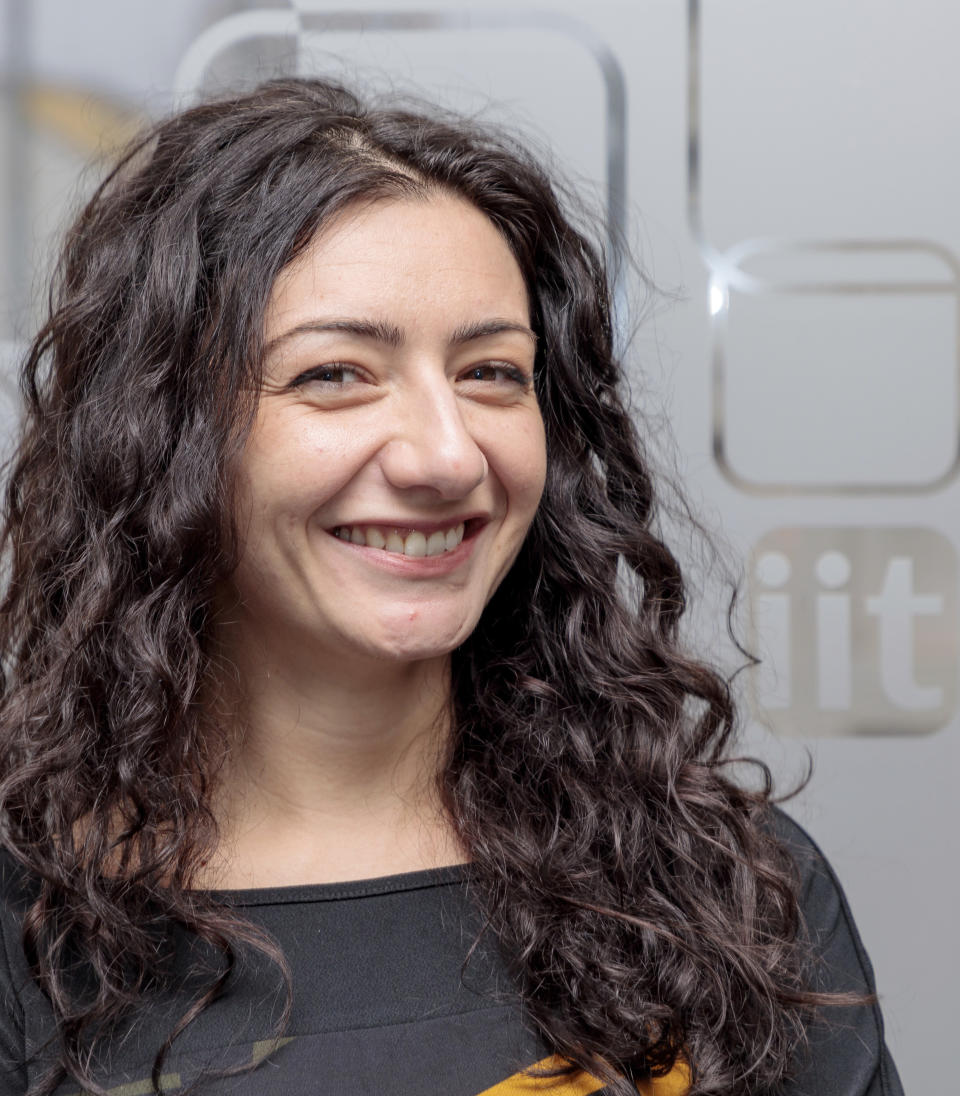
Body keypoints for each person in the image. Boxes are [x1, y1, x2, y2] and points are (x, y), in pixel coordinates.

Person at [0, 78, 902, 1096]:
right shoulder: (23, 931)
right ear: (162, 438)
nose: (446, 455)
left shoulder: (726, 886)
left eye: (491, 373)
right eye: (335, 373)